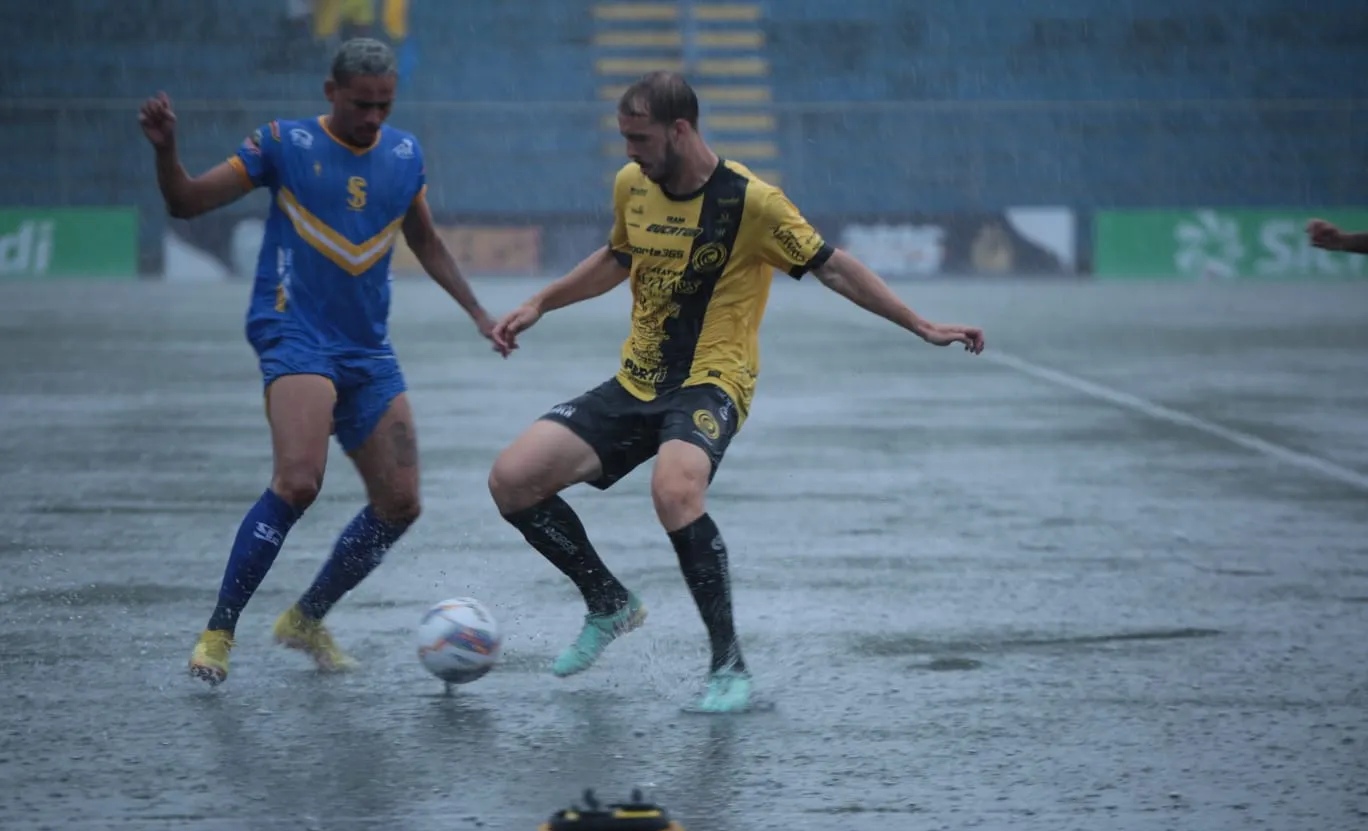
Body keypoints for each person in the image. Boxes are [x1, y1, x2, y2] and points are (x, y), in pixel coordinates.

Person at [486, 71, 984, 713]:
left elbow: (832, 266)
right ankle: (607, 602)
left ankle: (728, 667)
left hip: (712, 381)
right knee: (512, 480)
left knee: (675, 489)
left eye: (639, 138)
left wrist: (919, 323)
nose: (629, 152)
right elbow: (617, 258)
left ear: (680, 130)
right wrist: (540, 304)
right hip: (636, 381)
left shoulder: (752, 202)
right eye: (624, 139)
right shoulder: (631, 185)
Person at [138, 37, 509, 686]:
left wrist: (478, 313)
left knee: (401, 504)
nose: (373, 119)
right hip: (293, 332)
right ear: (330, 92)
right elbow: (187, 202)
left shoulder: (403, 153)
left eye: (385, 106)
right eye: (362, 104)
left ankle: (306, 619)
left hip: (367, 346)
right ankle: (219, 631)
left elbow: (424, 239)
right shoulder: (283, 143)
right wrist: (168, 150)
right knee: (299, 481)